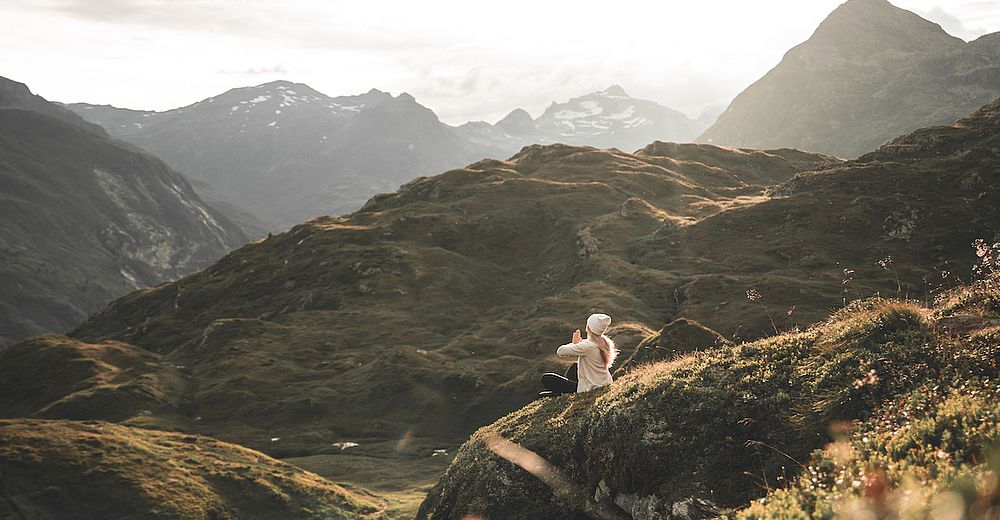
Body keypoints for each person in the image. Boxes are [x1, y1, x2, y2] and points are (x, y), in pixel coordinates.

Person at [538, 313, 618, 397]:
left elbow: (560, 351)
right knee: (575, 367)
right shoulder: (604, 342)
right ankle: (563, 392)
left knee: (546, 378)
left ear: (589, 327)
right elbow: (586, 345)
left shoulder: (588, 346)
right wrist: (578, 344)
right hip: (603, 382)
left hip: (591, 388)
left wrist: (573, 344)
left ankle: (564, 392)